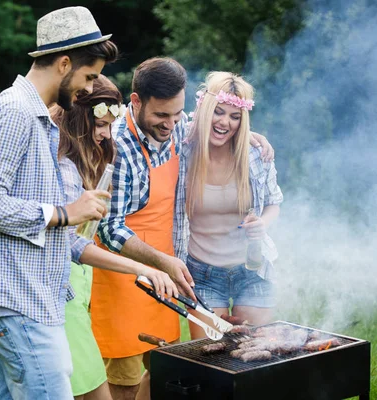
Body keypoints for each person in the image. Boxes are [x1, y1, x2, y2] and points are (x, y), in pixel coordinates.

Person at [0, 7, 119, 399]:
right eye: (88, 76)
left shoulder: (39, 116)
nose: (88, 88)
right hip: (17, 298)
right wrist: (66, 213)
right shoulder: (14, 110)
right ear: (64, 63)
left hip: (33, 297)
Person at [94, 58, 275, 400]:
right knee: (125, 378)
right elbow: (109, 229)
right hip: (124, 279)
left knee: (164, 368)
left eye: (177, 114)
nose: (171, 123)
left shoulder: (177, 127)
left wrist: (249, 134)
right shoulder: (119, 148)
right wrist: (162, 262)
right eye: (162, 115)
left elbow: (208, 123)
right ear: (136, 102)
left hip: (167, 274)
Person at [51, 75, 179, 400]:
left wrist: (250, 136)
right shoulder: (66, 168)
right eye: (102, 125)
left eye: (110, 124)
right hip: (66, 295)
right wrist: (146, 268)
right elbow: (75, 243)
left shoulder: (90, 155)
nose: (108, 135)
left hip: (80, 289)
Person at [177, 71, 283, 338]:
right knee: (208, 358)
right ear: (204, 108)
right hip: (201, 273)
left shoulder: (255, 155)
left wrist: (262, 224)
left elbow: (273, 203)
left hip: (252, 269)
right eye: (219, 112)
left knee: (254, 353)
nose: (225, 122)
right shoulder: (183, 150)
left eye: (235, 117)